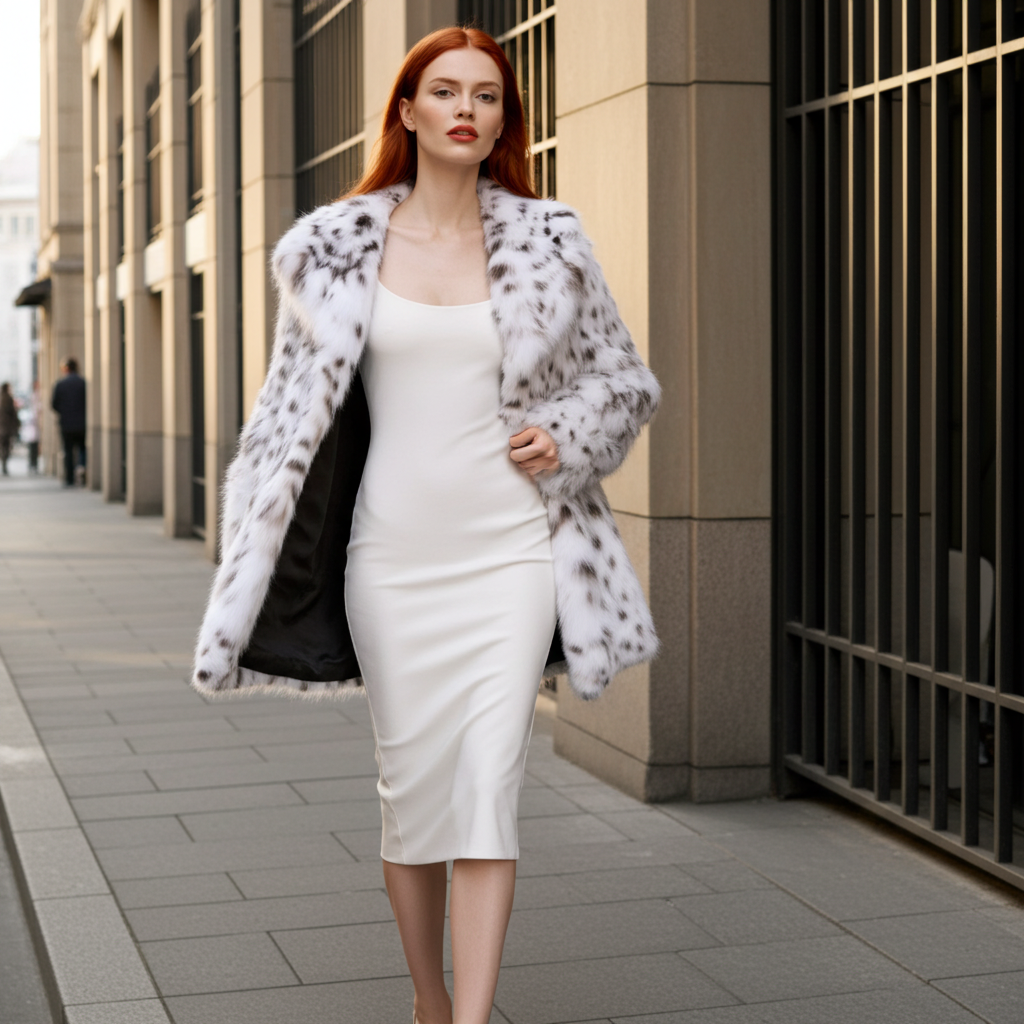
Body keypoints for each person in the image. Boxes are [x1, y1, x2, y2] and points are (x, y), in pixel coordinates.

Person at [193, 26, 660, 1024]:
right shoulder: (333, 250)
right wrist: (250, 554)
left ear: (502, 122)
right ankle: (431, 998)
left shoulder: (550, 241)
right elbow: (283, 417)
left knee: (488, 787)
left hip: (513, 552)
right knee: (411, 796)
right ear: (406, 110)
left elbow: (623, 382)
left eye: (486, 96)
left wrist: (566, 432)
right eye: (444, 91)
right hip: (390, 557)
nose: (465, 109)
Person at [51, 357, 86, 486]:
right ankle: (82, 469)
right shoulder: (83, 383)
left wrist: (64, 412)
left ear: (65, 369)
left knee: (68, 451)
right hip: (82, 423)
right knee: (82, 449)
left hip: (66, 424)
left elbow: (54, 404)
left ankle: (70, 478)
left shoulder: (60, 384)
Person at [21, 379, 41, 473]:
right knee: (33, 444)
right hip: (33, 424)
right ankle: (32, 463)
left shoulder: (35, 396)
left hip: (34, 425)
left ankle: (33, 463)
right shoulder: (33, 396)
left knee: (33, 444)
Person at [0, 383, 19, 475]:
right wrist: (17, 424)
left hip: (2, 427)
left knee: (2, 445)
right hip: (6, 427)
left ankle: (3, 461)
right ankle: (4, 463)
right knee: (6, 446)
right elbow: (13, 413)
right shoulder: (8, 398)